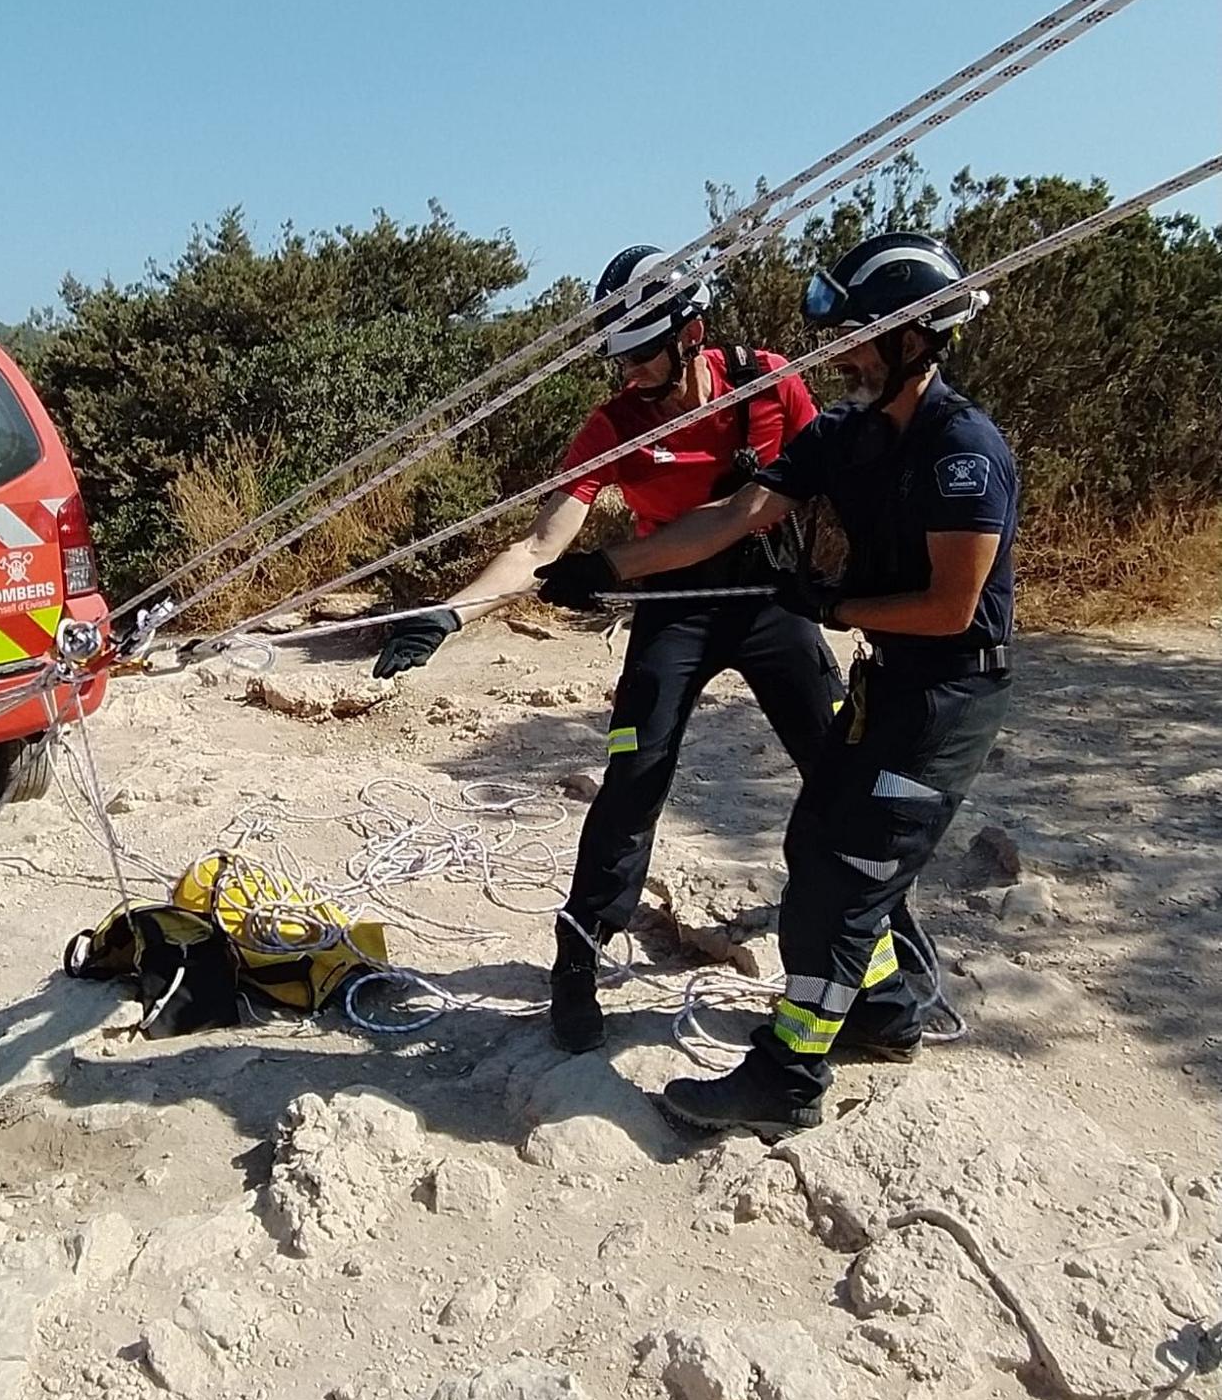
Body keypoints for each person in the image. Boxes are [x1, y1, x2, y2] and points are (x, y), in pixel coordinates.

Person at [535, 232, 1016, 1136]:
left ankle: (797, 1068)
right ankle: (883, 1005)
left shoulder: (963, 452)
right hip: (868, 672)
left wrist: (833, 607)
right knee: (807, 837)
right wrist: (614, 568)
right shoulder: (849, 432)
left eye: (861, 339)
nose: (845, 357)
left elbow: (952, 609)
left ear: (912, 340)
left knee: (853, 869)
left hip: (934, 691)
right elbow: (738, 511)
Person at [372, 244, 845, 1052]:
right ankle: (579, 958)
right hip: (674, 610)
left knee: (840, 777)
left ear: (691, 333)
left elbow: (779, 500)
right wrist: (451, 615)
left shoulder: (769, 382)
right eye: (617, 360)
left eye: (641, 357)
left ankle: (882, 964)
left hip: (767, 603)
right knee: (633, 780)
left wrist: (858, 588)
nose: (627, 376)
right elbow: (542, 543)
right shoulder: (614, 425)